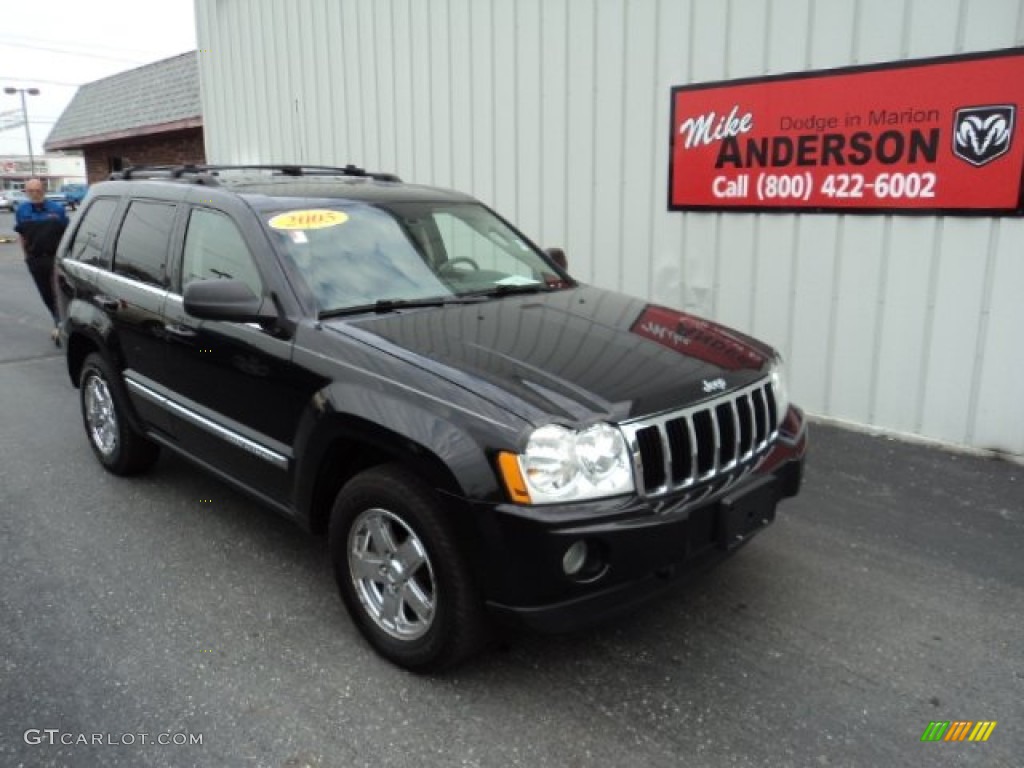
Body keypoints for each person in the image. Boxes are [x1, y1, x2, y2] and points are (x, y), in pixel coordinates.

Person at [14, 178, 68, 345]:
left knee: (56, 292)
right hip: (35, 260)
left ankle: (60, 325)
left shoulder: (57, 210)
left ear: (43, 190)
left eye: (38, 190)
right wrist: (27, 258)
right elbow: (22, 236)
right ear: (26, 192)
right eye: (31, 191)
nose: (35, 194)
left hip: (54, 259)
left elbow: (66, 234)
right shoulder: (22, 211)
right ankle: (57, 320)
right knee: (46, 295)